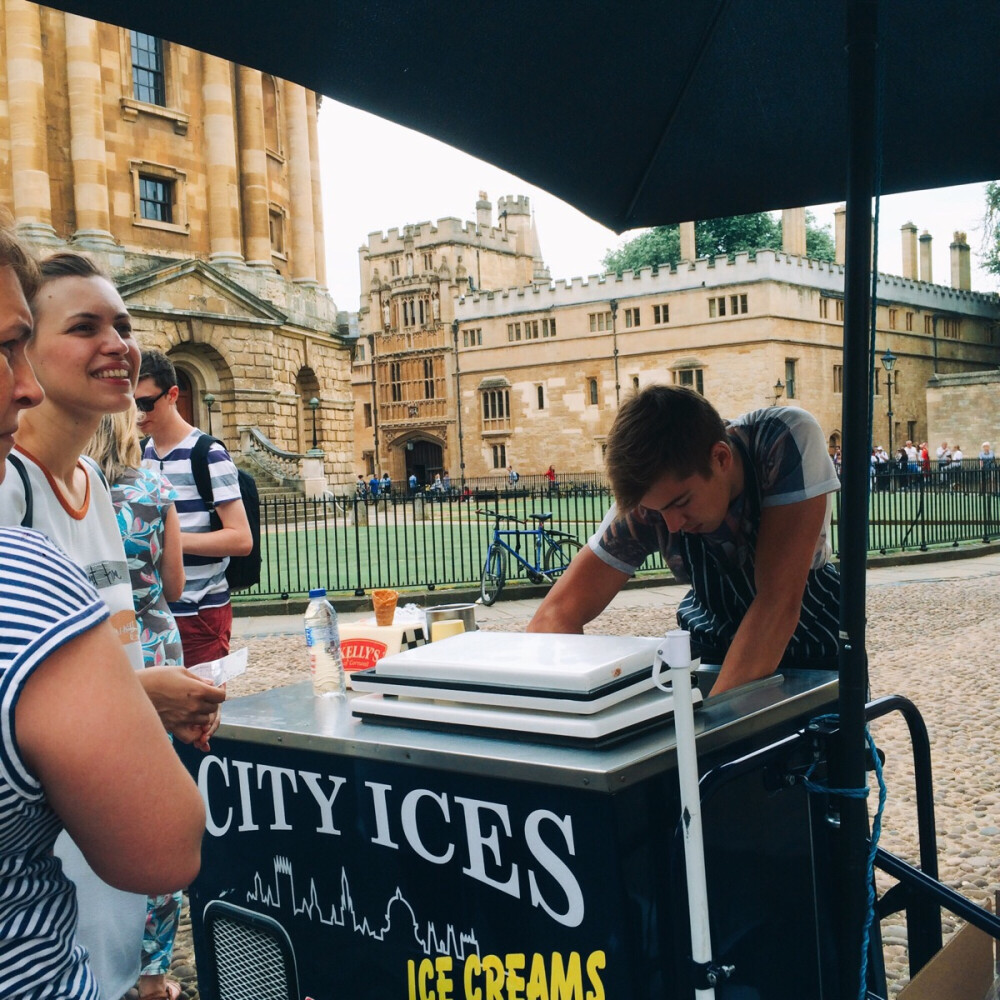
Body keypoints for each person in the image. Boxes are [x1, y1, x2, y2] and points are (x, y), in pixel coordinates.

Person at [0, 238, 207, 998]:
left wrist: (147, 694)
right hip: (45, 872)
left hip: (104, 842)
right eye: (85, 328)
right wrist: (143, 697)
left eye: (122, 326)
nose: (118, 345)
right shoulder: (8, 495)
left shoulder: (90, 477)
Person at [528, 385, 841, 696]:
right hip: (708, 650)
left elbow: (776, 604)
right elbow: (555, 615)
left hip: (811, 650)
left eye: (681, 502)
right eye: (657, 511)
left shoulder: (784, 438)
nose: (672, 524)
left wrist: (708, 732)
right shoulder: (652, 498)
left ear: (720, 458)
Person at [87, 408, 190, 1000]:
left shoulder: (65, 487)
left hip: (94, 652)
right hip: (155, 646)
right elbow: (174, 586)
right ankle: (152, 973)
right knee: (155, 803)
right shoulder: (152, 486)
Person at [136, 349, 253, 667]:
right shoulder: (139, 455)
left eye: (146, 403)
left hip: (201, 611)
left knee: (200, 715)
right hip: (152, 613)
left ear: (173, 394)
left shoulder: (207, 453)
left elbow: (241, 539)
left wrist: (170, 539)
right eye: (132, 404)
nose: (138, 414)